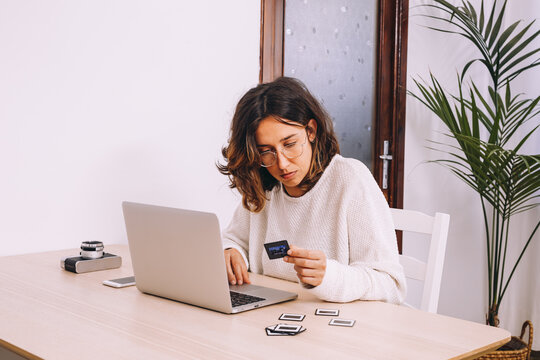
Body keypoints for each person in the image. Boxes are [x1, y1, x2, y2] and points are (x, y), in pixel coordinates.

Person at [217, 77, 406, 303]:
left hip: (340, 329)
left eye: (289, 144)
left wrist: (330, 277)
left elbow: (390, 285)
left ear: (311, 131)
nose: (282, 164)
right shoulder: (265, 185)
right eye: (266, 151)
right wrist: (232, 252)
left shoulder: (350, 179)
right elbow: (235, 239)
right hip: (272, 319)